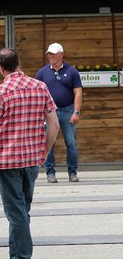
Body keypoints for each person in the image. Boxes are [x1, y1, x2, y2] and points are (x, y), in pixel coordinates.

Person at [0, 48, 59, 259]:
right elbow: (54, 125)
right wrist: (45, 152)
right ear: (19, 62)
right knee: (22, 211)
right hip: (31, 160)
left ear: (0, 68)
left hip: (8, 161)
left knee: (16, 213)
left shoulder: (0, 92)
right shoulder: (40, 87)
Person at [36, 42, 83, 183]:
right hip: (49, 112)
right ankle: (50, 173)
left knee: (71, 143)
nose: (50, 56)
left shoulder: (72, 71)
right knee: (49, 143)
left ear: (61, 54)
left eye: (53, 53)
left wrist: (76, 112)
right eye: (48, 54)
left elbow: (78, 92)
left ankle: (72, 173)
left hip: (68, 110)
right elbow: (37, 94)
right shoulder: (42, 72)